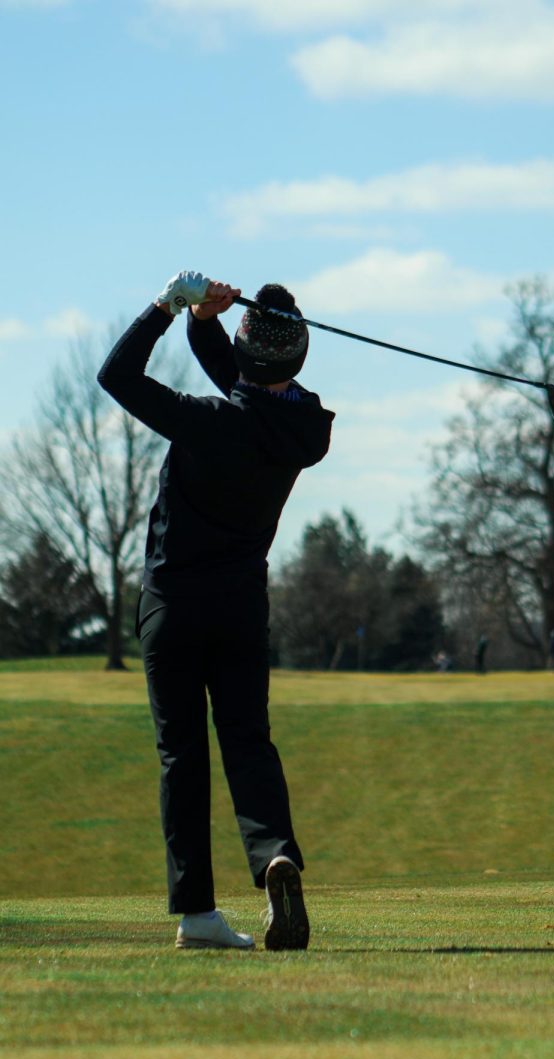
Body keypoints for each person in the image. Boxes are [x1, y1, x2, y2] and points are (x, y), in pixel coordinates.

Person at [97, 270, 334, 951]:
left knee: (183, 755)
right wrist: (208, 324)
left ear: (249, 350)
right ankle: (274, 855)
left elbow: (117, 376)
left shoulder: (208, 421)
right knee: (247, 741)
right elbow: (254, 381)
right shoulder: (305, 426)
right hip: (240, 608)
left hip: (173, 605)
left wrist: (165, 307)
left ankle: (198, 915)